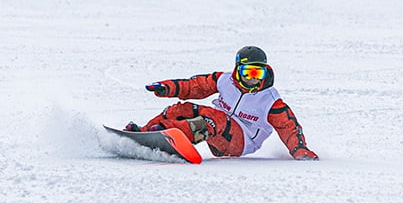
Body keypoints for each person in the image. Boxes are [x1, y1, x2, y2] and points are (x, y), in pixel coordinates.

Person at [125, 46, 319, 160]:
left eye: (258, 73)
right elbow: (195, 86)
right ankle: (146, 132)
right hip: (218, 128)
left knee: (212, 119)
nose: (253, 79)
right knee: (183, 108)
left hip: (242, 142)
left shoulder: (270, 101)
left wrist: (299, 149)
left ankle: (171, 138)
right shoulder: (224, 80)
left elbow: (289, 127)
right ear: (237, 70)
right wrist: (167, 88)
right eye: (248, 72)